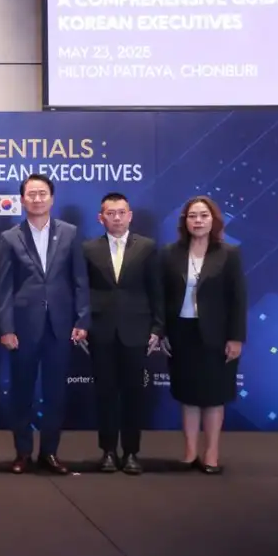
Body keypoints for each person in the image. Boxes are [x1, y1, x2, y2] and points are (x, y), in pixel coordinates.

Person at [0, 174, 90, 475]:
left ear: (52, 198)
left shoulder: (70, 233)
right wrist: (6, 327)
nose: (37, 199)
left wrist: (82, 318)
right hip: (23, 327)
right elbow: (4, 287)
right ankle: (23, 453)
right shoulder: (10, 237)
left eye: (42, 193)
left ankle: (50, 452)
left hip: (60, 325)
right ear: (22, 200)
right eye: (31, 194)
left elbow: (79, 280)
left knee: (55, 394)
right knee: (22, 393)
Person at [161, 195, 246, 474]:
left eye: (203, 215)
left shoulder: (229, 253)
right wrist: (162, 331)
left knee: (214, 396)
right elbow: (162, 296)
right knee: (188, 395)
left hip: (217, 335)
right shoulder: (170, 253)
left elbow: (238, 299)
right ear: (185, 221)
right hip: (181, 332)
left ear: (213, 220)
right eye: (192, 216)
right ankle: (189, 453)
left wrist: (236, 337)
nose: (198, 221)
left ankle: (211, 454)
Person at [83, 192, 163, 475]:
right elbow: (82, 291)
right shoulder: (88, 248)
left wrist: (157, 328)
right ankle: (107, 451)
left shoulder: (147, 247)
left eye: (121, 212)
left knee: (133, 394)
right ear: (100, 217)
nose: (116, 218)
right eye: (110, 213)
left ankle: (131, 452)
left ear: (130, 216)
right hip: (101, 331)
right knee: (104, 394)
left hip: (136, 330)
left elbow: (157, 290)